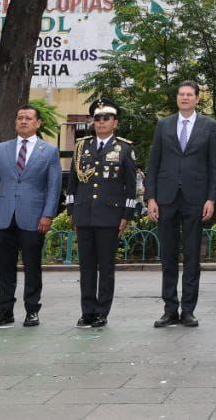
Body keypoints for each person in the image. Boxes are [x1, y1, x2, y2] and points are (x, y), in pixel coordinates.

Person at [146, 80, 216, 328]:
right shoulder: (164, 124)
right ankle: (170, 309)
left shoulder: (209, 126)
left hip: (195, 199)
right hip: (166, 198)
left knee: (192, 256)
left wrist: (211, 198)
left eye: (189, 94)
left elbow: (214, 166)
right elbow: (153, 163)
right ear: (177, 98)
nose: (185, 97)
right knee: (167, 256)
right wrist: (151, 198)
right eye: (181, 94)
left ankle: (188, 310)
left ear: (197, 99)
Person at [0, 105, 62, 328]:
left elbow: (54, 186)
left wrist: (48, 215)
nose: (23, 121)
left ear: (38, 123)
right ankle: (5, 311)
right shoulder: (1, 148)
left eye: (28, 118)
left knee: (32, 266)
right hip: (3, 216)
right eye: (19, 118)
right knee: (5, 267)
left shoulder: (49, 151)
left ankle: (32, 310)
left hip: (34, 218)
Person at [67, 99, 137, 328]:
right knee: (86, 267)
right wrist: (71, 211)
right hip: (84, 214)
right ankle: (87, 311)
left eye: (106, 118)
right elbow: (73, 184)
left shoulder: (124, 148)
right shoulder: (82, 147)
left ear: (115, 122)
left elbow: (130, 186)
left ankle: (101, 312)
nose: (101, 122)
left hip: (110, 216)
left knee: (106, 267)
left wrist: (126, 215)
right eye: (97, 118)